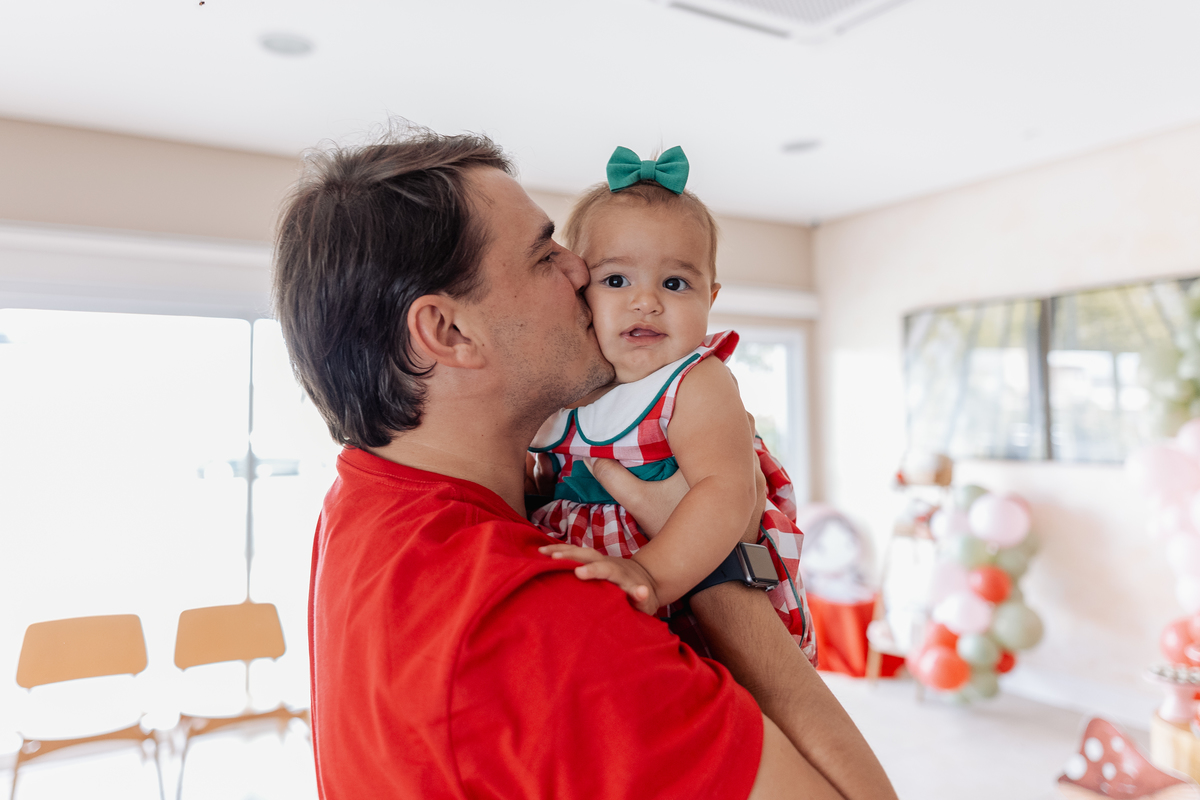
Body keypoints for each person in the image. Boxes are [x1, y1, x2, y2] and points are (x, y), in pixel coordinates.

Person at [273, 126, 897, 800]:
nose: (580, 270)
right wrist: (720, 568)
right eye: (545, 255)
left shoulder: (366, 502)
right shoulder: (542, 618)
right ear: (449, 332)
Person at [529, 145, 816, 666]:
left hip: (684, 576)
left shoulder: (694, 381)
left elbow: (727, 492)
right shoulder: (569, 387)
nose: (647, 302)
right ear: (577, 292)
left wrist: (651, 573)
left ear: (710, 298)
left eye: (676, 283)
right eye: (616, 280)